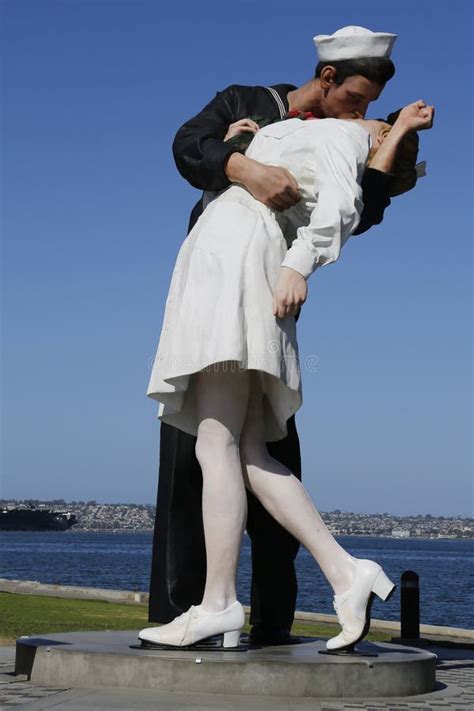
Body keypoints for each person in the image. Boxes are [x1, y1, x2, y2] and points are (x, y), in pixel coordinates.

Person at [140, 98, 433, 651]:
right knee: (248, 449)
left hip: (234, 263)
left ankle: (220, 602)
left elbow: (345, 203)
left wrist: (301, 263)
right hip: (242, 259)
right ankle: (345, 573)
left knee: (215, 440)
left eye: (375, 121)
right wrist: (241, 142)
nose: (363, 115)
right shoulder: (319, 136)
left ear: (377, 139)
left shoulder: (343, 138)